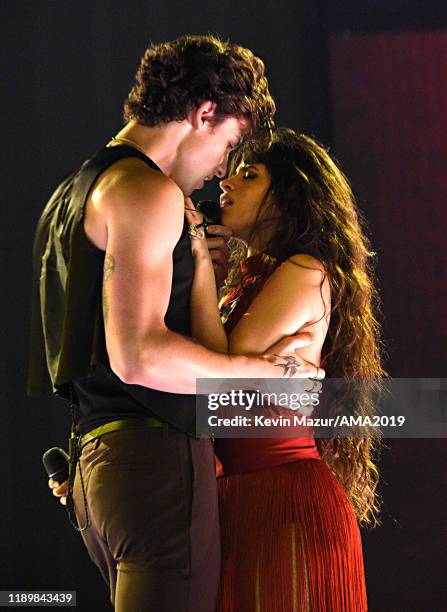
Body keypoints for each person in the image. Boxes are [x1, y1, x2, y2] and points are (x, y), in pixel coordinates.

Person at [29, 36, 322, 612]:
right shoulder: (146, 189)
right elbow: (138, 357)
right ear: (203, 114)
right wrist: (256, 371)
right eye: (229, 144)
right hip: (152, 463)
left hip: (96, 464)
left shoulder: (75, 191)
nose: (220, 171)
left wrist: (199, 272)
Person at [185, 128, 384, 611]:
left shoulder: (305, 270)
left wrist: (198, 269)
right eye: (228, 175)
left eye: (248, 175)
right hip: (241, 499)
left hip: (284, 499)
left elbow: (217, 375)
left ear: (292, 194)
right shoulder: (247, 281)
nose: (225, 186)